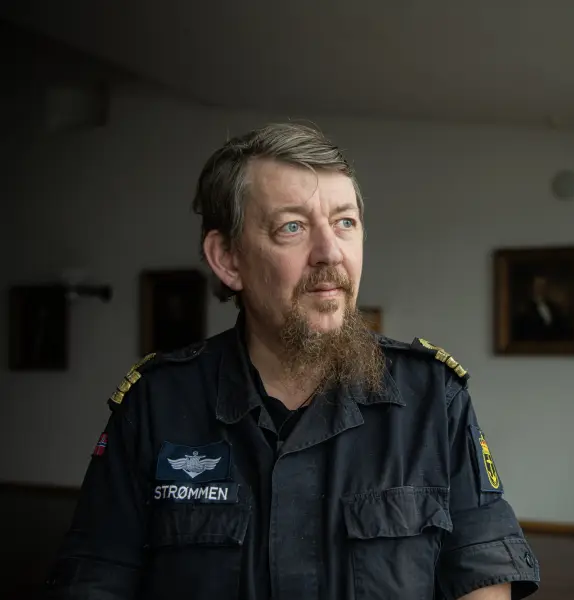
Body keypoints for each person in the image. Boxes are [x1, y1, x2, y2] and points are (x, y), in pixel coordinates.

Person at [43, 123, 540, 599]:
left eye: (345, 222)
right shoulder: (156, 404)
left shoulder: (432, 397)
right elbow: (95, 578)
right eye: (293, 227)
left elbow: (483, 569)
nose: (330, 252)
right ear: (228, 259)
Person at [512, 275, 574, 342]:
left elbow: (560, 327)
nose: (541, 289)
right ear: (533, 288)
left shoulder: (553, 307)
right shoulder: (526, 308)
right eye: (538, 286)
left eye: (543, 286)